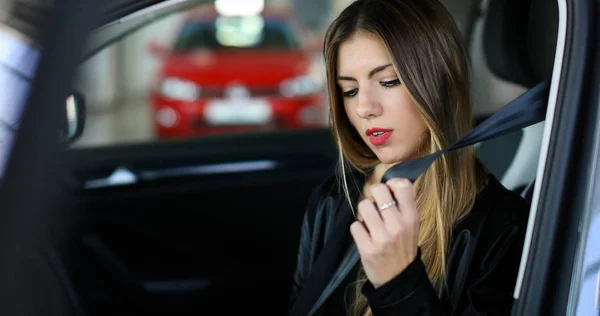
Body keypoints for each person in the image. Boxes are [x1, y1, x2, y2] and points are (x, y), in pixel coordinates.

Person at [288, 0, 531, 315]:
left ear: (439, 81)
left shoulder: (504, 231)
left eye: (388, 81)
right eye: (349, 90)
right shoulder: (331, 202)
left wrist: (398, 284)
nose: (364, 107)